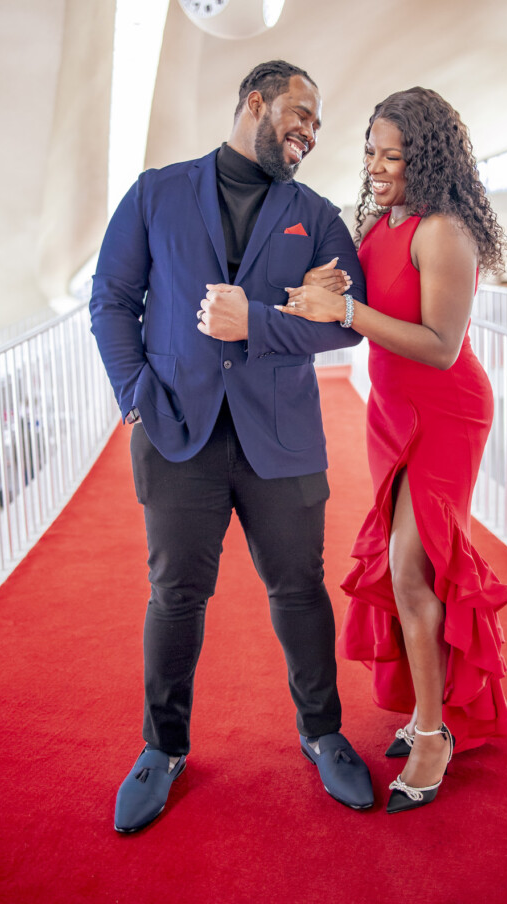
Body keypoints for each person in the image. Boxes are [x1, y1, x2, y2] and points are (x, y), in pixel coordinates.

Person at [90, 60, 373, 834]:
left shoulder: (313, 214)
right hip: (175, 431)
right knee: (175, 596)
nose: (310, 131)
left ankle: (322, 732)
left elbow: (350, 319)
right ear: (257, 101)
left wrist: (260, 320)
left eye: (317, 122)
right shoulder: (155, 192)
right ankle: (162, 746)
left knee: (298, 589)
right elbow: (112, 300)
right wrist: (134, 396)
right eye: (301, 113)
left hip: (281, 437)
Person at [277, 87, 507, 813]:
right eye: (371, 153)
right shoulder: (385, 220)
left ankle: (432, 732)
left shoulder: (442, 231)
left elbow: (441, 349)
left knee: (412, 571)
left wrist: (348, 309)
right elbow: (364, 311)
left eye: (394, 156)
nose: (377, 167)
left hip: (444, 414)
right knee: (405, 566)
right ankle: (428, 712)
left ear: (429, 158)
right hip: (391, 412)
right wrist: (330, 290)